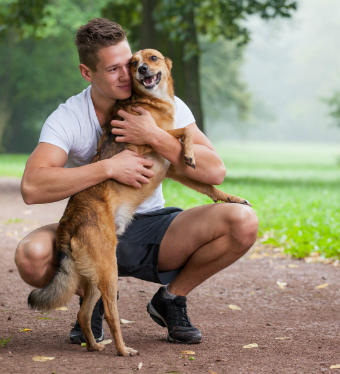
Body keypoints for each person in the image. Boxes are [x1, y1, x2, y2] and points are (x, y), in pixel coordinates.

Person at [14, 18, 258, 345]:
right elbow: (32, 187)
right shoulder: (68, 117)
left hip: (154, 227)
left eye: (129, 63)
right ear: (88, 72)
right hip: (96, 222)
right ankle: (94, 301)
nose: (130, 74)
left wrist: (155, 136)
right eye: (113, 69)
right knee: (32, 254)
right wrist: (109, 167)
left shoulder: (164, 103)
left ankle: (170, 300)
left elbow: (214, 171)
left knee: (243, 221)